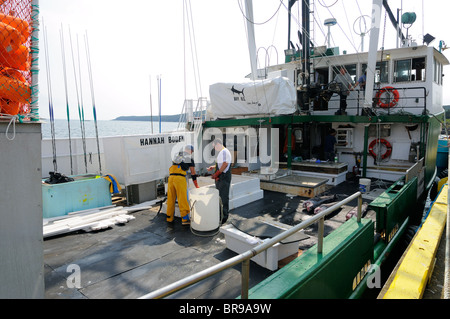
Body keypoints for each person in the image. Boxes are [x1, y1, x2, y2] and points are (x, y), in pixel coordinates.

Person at [166, 145, 199, 226]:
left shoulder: (177, 155)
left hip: (171, 178)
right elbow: (193, 173)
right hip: (180, 179)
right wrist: (196, 186)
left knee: (170, 199)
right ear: (190, 150)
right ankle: (185, 219)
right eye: (192, 151)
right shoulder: (190, 158)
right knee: (182, 199)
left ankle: (169, 218)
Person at [207, 138, 232, 224]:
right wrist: (213, 167)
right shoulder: (222, 152)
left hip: (223, 177)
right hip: (222, 177)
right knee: (220, 196)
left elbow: (225, 164)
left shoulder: (224, 151)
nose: (214, 148)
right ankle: (221, 215)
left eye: (214, 146)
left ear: (218, 144)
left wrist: (216, 174)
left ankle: (224, 217)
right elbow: (221, 164)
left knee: (223, 197)